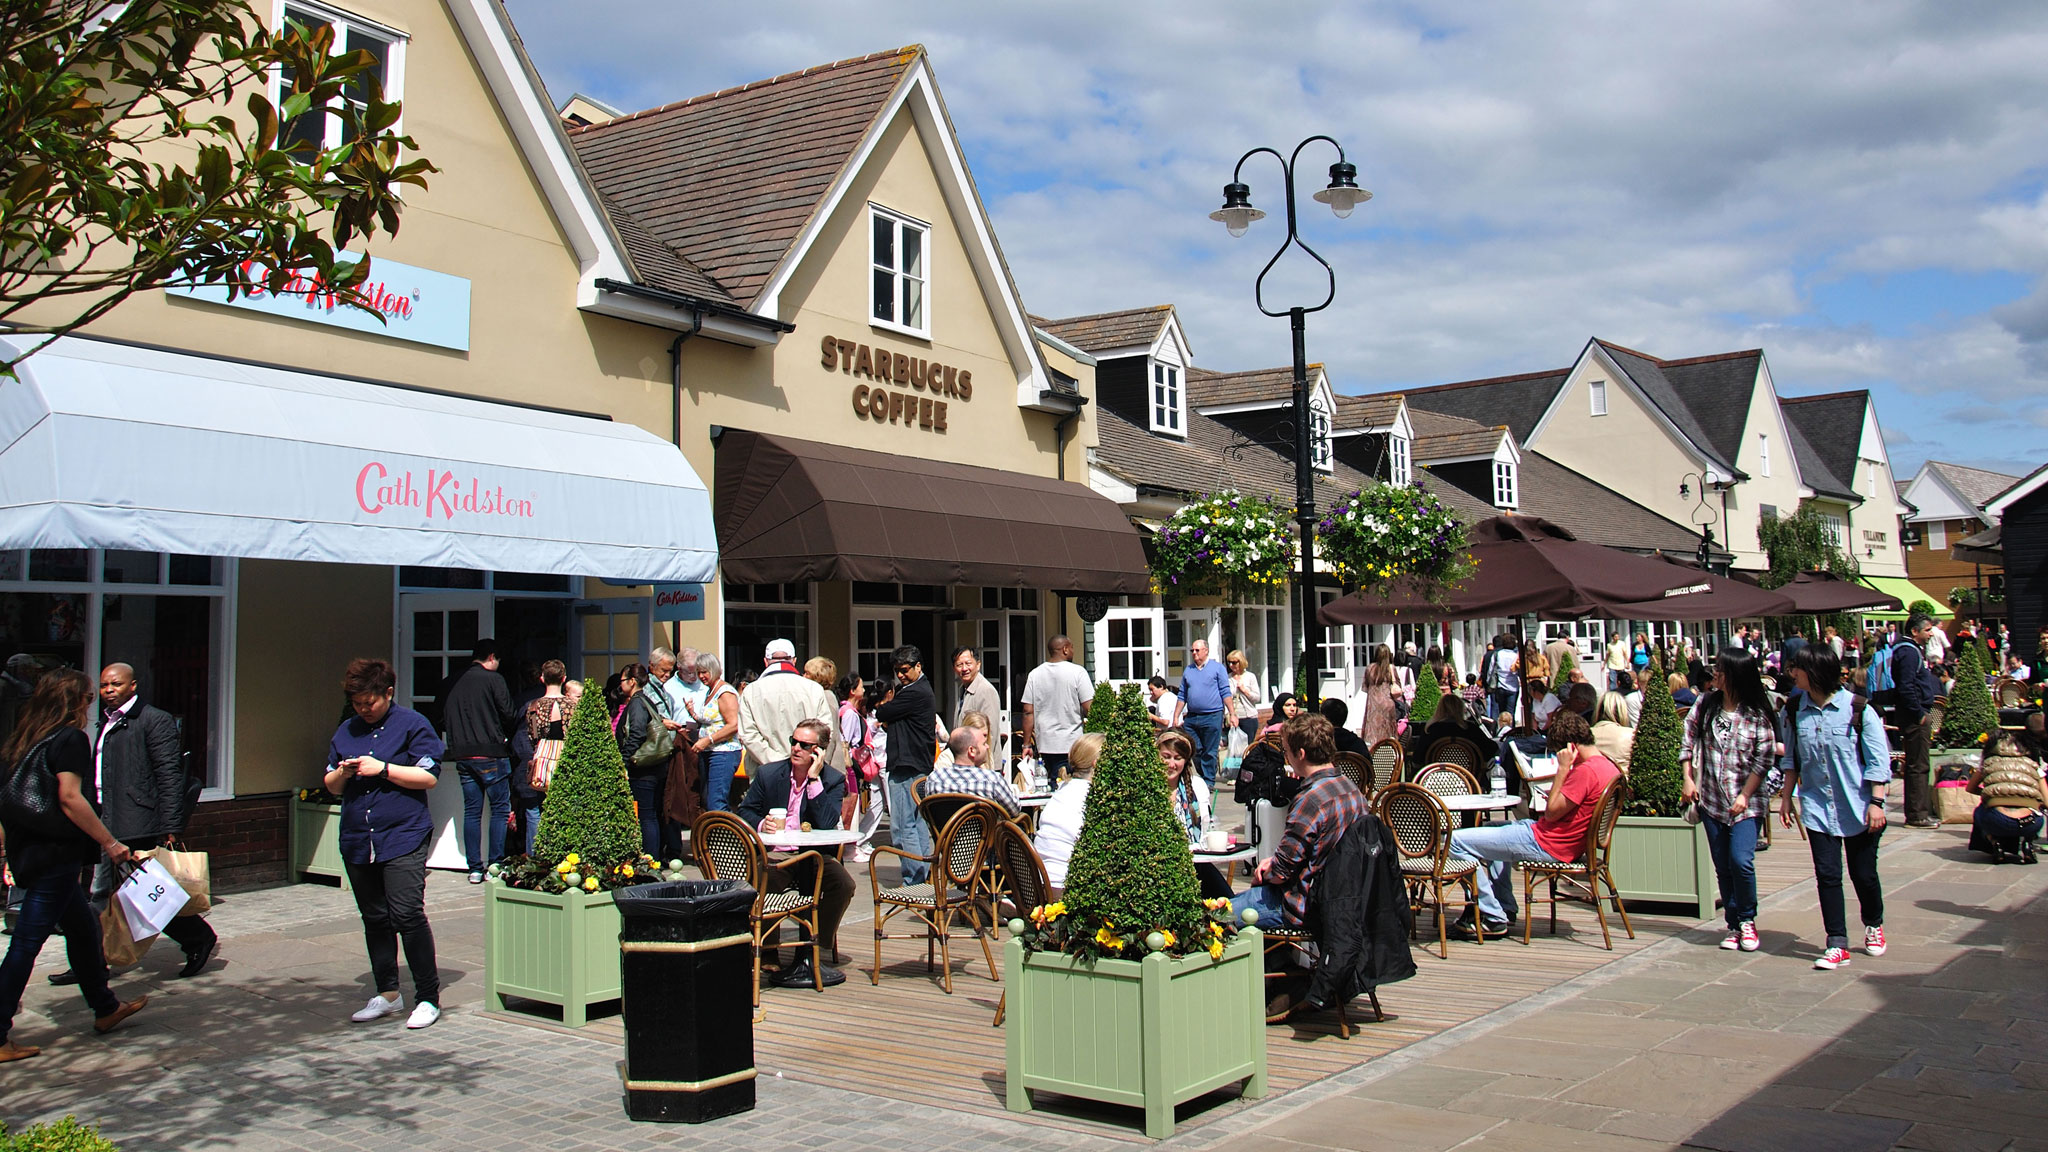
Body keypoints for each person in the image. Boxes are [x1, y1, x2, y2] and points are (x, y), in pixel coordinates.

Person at [0, 669, 150, 1063]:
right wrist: (110, 842)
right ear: (76, 701)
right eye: (88, 697)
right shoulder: (70, 739)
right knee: (26, 944)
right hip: (55, 854)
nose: (92, 703)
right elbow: (70, 798)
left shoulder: (24, 739)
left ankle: (105, 1008)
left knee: (83, 929)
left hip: (29, 850)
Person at [73, 663, 217, 979]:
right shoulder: (106, 723)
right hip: (105, 818)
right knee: (104, 894)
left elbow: (169, 775)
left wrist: (170, 826)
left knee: (149, 893)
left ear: (133, 686)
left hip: (138, 821)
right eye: (105, 685)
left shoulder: (153, 720)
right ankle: (91, 962)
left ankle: (198, 937)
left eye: (116, 684)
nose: (109, 690)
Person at [326, 658, 446, 1029]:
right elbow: (330, 783)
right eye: (358, 703)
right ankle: (388, 994)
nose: (363, 709)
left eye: (369, 702)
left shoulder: (413, 725)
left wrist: (384, 769)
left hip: (403, 833)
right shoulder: (346, 730)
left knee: (407, 914)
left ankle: (427, 997)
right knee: (375, 918)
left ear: (388, 693)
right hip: (359, 837)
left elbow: (428, 777)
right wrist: (342, 773)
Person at [1447, 711, 1622, 940]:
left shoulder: (1585, 771)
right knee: (1497, 827)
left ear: (1569, 747)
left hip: (1547, 843)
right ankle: (1504, 905)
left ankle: (1490, 914)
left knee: (1456, 841)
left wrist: (1562, 770)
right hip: (1559, 841)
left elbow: (1550, 813)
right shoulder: (1608, 767)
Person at [1779, 645, 1892, 970]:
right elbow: (1792, 757)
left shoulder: (1859, 709)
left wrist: (1876, 802)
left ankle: (1873, 923)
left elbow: (1877, 762)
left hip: (1858, 806)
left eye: (1797, 668)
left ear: (1813, 672)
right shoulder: (1794, 708)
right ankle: (1836, 942)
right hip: (1817, 806)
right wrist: (1787, 797)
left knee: (1863, 875)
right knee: (1827, 875)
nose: (1792, 674)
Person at [735, 719, 854, 988]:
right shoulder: (769, 774)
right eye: (794, 742)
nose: (796, 748)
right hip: (775, 853)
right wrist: (760, 823)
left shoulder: (832, 779)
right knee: (767, 880)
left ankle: (815, 946)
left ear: (819, 751)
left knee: (844, 884)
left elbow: (826, 821)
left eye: (804, 745)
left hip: (812, 856)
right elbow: (745, 810)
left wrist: (813, 780)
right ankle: (768, 948)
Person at [1230, 714, 1370, 932]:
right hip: (1348, 897)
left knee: (1216, 916)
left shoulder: (1310, 800)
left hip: (1304, 904)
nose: (1286, 758)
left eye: (1286, 751)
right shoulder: (1351, 789)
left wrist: (1266, 870)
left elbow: (1281, 873)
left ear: (1301, 754)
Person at [1680, 647, 1778, 951]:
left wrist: (1745, 795)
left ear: (1735, 673)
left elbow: (1764, 760)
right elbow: (1687, 738)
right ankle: (1733, 924)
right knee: (1722, 865)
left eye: (1720, 670)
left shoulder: (1756, 713)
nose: (1714, 675)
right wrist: (1687, 777)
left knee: (1741, 861)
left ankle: (1747, 918)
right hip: (1711, 799)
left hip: (1746, 802)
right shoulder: (1706, 703)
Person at [440, 640, 518, 884]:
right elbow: (509, 714)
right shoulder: (494, 680)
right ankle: (495, 863)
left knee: (472, 811)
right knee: (499, 810)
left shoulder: (451, 681)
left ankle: (474, 867)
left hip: (462, 753)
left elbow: (439, 716)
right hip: (491, 751)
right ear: (492, 657)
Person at [874, 645, 939, 882]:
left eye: (904, 670)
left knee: (902, 826)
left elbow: (883, 713)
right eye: (897, 671)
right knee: (916, 822)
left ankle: (913, 879)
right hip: (916, 763)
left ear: (918, 666)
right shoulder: (915, 688)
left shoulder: (915, 692)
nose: (900, 675)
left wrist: (884, 708)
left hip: (907, 765)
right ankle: (922, 873)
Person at [736, 639, 839, 773]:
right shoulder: (814, 689)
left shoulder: (751, 691)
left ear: (766, 661)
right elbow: (825, 731)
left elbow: (748, 735)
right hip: (805, 770)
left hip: (765, 771)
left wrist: (775, 761)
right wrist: (803, 757)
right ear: (794, 661)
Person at [619, 657, 679, 858]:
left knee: (646, 815)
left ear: (632, 681)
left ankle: (650, 858)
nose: (621, 685)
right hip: (655, 766)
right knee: (651, 813)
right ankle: (653, 857)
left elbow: (637, 732)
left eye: (622, 680)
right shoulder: (647, 700)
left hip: (644, 768)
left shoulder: (637, 703)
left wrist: (624, 759)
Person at [1034, 732, 1102, 896]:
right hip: (1067, 888)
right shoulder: (1092, 798)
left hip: (1039, 884)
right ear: (1097, 764)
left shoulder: (1062, 790)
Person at [1891, 614, 1942, 829]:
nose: (1931, 633)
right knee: (1918, 765)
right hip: (1915, 717)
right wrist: (1919, 712)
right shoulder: (1908, 652)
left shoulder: (1909, 650)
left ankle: (1918, 813)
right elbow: (1907, 685)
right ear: (1915, 631)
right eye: (1928, 629)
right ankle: (1917, 815)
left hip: (1915, 713)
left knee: (1918, 764)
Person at [1020, 635, 1092, 782]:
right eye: (1072, 648)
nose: (1073, 651)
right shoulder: (1078, 672)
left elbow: (1027, 711)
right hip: (1072, 745)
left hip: (1045, 745)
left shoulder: (1035, 674)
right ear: (1065, 649)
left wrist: (1026, 744)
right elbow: (1090, 708)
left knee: (1049, 787)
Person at [1965, 735, 2044, 864]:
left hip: (1997, 821)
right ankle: (2028, 843)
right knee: (2037, 813)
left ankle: (1995, 842)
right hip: (2030, 823)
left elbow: (1970, 788)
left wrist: (1991, 794)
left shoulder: (1987, 764)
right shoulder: (2034, 766)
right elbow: (2046, 801)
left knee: (1980, 811)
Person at [519, 662, 571, 854]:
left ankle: (537, 856)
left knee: (538, 809)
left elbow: (532, 736)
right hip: (567, 759)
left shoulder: (534, 706)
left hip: (543, 757)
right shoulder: (573, 705)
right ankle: (564, 854)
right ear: (564, 678)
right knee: (565, 810)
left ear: (542, 678)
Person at [684, 654, 742, 816]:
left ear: (714, 670)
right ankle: (714, 838)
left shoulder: (725, 692)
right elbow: (712, 720)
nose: (701, 676)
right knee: (708, 799)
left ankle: (728, 838)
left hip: (723, 753)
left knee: (716, 802)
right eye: (699, 672)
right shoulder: (710, 691)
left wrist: (707, 740)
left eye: (705, 672)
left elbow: (734, 724)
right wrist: (693, 715)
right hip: (709, 752)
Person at [925, 723, 1020, 818]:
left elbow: (929, 817)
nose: (987, 747)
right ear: (972, 751)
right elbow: (1014, 811)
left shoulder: (934, 779)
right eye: (984, 743)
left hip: (945, 832)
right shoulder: (991, 780)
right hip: (983, 832)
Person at [1406, 694, 1500, 787]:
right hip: (1469, 782)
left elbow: (1417, 761)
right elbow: (1492, 750)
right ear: (1460, 709)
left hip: (1435, 783)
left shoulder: (1430, 731)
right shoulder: (1471, 729)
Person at [1178, 639, 1232, 790]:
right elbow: (1182, 694)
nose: (1194, 653)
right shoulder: (1189, 670)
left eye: (1197, 650)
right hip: (1192, 717)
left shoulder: (1217, 668)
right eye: (1192, 650)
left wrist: (1232, 713)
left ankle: (1208, 781)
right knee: (1194, 749)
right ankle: (1205, 775)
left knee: (1210, 750)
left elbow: (1225, 692)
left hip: (1212, 715)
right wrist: (1176, 716)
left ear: (1206, 651)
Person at [951, 647, 1002, 746]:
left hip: (980, 758)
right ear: (954, 668)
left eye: (968, 663)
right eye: (959, 665)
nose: (964, 668)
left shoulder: (985, 690)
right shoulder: (963, 689)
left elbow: (990, 733)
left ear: (978, 665)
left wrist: (982, 758)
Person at [1357, 647, 1400, 748]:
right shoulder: (1391, 668)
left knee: (1373, 731)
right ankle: (1389, 750)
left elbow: (1365, 687)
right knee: (1388, 731)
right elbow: (1398, 685)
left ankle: (1372, 752)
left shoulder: (1370, 668)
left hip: (1373, 704)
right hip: (1388, 702)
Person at [1589, 692, 1636, 773]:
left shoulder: (1584, 735)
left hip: (1592, 783)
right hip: (1621, 783)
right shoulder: (1632, 735)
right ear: (1622, 711)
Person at [1226, 650, 1262, 745]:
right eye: (1229, 662)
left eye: (1234, 662)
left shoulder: (1250, 677)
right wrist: (1227, 714)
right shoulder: (1228, 678)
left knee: (1247, 747)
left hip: (1248, 717)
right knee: (1234, 748)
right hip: (1233, 718)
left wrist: (1245, 690)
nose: (1231, 665)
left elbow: (1257, 697)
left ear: (1240, 662)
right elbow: (1225, 698)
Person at [1483, 634, 1521, 722]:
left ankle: (1499, 731)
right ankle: (1510, 731)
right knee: (1511, 712)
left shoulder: (1498, 654)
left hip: (1500, 686)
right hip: (1513, 686)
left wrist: (1489, 683)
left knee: (1500, 711)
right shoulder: (1516, 655)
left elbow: (1491, 670)